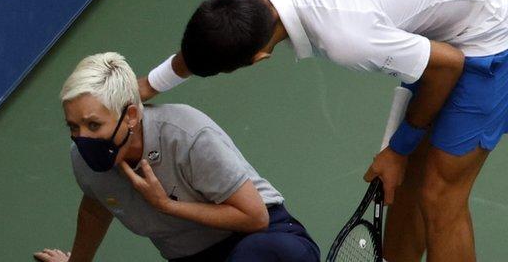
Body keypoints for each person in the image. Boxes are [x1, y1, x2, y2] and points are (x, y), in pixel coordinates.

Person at [137, 0, 508, 261]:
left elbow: (448, 66)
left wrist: (399, 148)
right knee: (408, 182)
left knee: (440, 195)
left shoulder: (346, 36)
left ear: (258, 58)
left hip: (491, 23)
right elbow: (206, 46)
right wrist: (147, 86)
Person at [34, 52, 319, 262]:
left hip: (264, 242)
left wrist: (166, 205)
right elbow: (96, 207)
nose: (83, 138)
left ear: (130, 115)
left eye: (93, 125)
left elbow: (255, 217)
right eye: (73, 127)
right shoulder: (85, 162)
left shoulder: (187, 135)